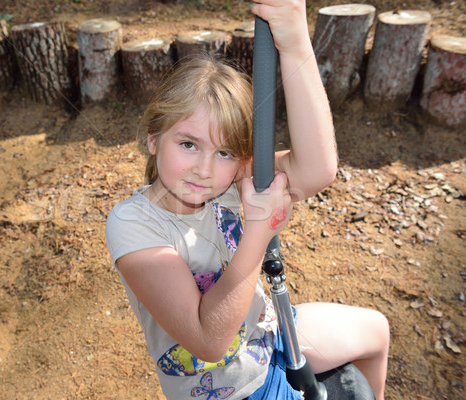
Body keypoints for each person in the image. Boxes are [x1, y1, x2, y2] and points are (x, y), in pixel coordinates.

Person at [106, 1, 390, 399]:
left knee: (375, 330)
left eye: (223, 152)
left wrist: (293, 43)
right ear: (154, 139)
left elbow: (316, 169)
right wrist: (260, 230)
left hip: (270, 334)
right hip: (236, 387)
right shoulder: (133, 224)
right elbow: (210, 340)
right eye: (188, 144)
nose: (204, 169)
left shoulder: (223, 182)